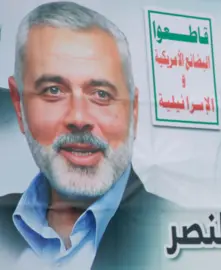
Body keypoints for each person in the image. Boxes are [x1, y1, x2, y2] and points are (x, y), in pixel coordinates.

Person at [0, 2, 175, 269]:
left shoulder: (178, 229)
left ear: (134, 111)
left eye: (101, 94)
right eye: (53, 90)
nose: (79, 118)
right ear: (19, 104)